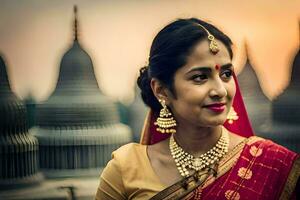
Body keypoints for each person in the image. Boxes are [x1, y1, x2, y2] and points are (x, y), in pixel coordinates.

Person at [95, 18, 299, 200]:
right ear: (162, 90)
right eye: (200, 77)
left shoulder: (273, 165)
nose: (220, 90)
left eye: (226, 74)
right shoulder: (126, 168)